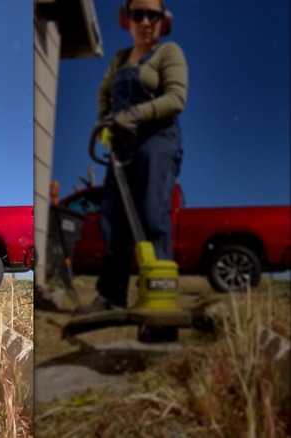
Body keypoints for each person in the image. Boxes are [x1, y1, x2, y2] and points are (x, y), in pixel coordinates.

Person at [76, 0, 187, 314]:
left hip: (158, 140)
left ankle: (159, 302)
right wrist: (104, 123)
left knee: (152, 215)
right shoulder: (121, 58)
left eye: (153, 15)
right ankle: (111, 296)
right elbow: (103, 92)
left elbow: (176, 98)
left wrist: (137, 113)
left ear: (163, 20)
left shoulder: (169, 53)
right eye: (139, 14)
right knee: (114, 219)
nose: (146, 21)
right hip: (121, 147)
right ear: (128, 19)